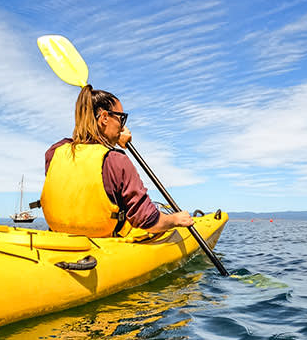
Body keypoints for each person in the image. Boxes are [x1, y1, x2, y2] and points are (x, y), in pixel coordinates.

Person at [40, 85, 194, 238]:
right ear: (105, 118)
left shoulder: (54, 152)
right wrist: (174, 219)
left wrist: (109, 138)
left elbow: (80, 146)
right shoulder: (116, 161)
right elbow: (148, 221)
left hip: (57, 241)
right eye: (121, 118)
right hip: (103, 245)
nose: (123, 126)